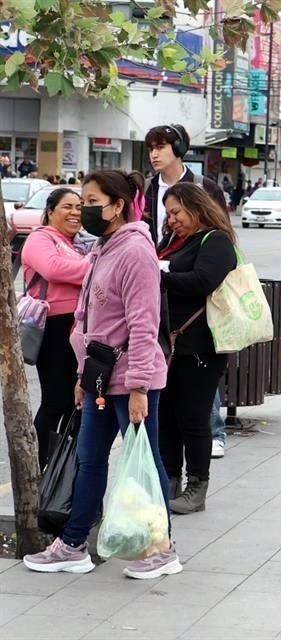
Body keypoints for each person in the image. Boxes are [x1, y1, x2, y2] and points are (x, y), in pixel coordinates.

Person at [23, 169, 181, 579]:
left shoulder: (135, 252)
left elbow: (144, 324)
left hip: (131, 378)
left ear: (117, 205)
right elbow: (86, 314)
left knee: (144, 461)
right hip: (98, 375)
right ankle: (73, 544)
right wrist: (81, 373)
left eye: (92, 202)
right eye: (82, 201)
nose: (86, 209)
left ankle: (162, 549)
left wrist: (140, 387)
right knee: (90, 460)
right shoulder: (104, 248)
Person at [156, 183, 237, 514]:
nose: (172, 220)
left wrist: (160, 275)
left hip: (200, 346)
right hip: (170, 345)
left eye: (177, 212)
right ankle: (170, 481)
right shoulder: (175, 241)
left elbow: (204, 282)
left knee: (192, 418)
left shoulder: (215, 240)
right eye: (169, 214)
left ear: (195, 207)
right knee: (167, 417)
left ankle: (196, 487)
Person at [20, 188, 91, 469]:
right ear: (50, 211)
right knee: (55, 398)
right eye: (68, 207)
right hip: (53, 326)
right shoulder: (40, 238)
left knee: (73, 401)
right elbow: (52, 269)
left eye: (80, 207)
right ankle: (37, 467)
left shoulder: (77, 244)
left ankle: (60, 466)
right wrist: (92, 269)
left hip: (78, 327)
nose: (75, 212)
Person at [143, 124, 227, 245]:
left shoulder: (205, 188)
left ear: (178, 148)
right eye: (151, 150)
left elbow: (223, 234)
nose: (154, 155)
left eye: (160, 147)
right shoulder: (145, 189)